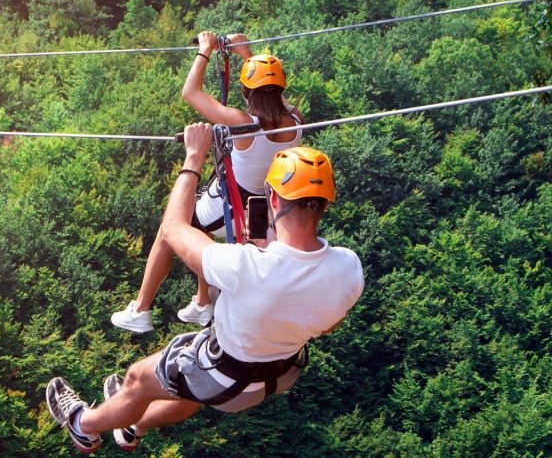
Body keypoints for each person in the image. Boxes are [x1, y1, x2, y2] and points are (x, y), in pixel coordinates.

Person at [47, 124, 363, 452]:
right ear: (325, 204)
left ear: (271, 197)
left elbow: (173, 229)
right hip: (276, 376)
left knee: (138, 380)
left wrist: (194, 157)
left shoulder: (245, 265)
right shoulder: (348, 268)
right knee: (189, 386)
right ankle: (134, 425)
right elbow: (327, 325)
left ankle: (82, 426)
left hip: (224, 376)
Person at [112, 32, 305, 332]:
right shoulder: (296, 121)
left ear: (245, 91)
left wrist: (204, 50)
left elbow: (191, 92)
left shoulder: (242, 124)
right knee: (201, 230)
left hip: (230, 204)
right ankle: (203, 302)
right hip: (261, 208)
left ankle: (140, 309)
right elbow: (274, 96)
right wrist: (246, 55)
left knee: (169, 228)